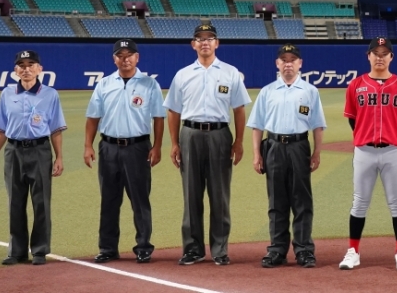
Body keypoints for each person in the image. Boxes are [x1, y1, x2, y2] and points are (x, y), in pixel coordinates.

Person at [164, 23, 251, 266]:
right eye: (200, 38)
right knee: (191, 194)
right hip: (190, 134)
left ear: (217, 43)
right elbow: (173, 111)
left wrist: (239, 141)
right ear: (193, 44)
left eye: (209, 38)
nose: (205, 42)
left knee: (219, 194)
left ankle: (220, 249)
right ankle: (193, 249)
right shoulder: (183, 75)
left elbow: (239, 109)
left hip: (220, 134)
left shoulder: (230, 73)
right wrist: (174, 143)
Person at [84, 40, 165, 264]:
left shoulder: (150, 84)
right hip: (108, 147)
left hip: (138, 147)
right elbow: (93, 117)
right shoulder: (104, 84)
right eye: (120, 55)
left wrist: (157, 146)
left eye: (129, 55)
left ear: (137, 58)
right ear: (114, 59)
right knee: (109, 200)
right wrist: (88, 145)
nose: (125, 59)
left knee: (140, 199)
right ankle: (108, 248)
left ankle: (143, 246)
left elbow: (159, 118)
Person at [339, 37, 397, 271]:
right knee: (359, 203)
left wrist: (394, 138)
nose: (380, 57)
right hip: (364, 151)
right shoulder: (356, 85)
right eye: (376, 53)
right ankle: (353, 251)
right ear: (368, 56)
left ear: (391, 57)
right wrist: (366, 136)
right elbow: (353, 119)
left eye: (384, 53)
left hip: (392, 151)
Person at [248, 44, 326, 269]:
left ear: (300, 63)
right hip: (273, 146)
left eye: (292, 60)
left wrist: (316, 152)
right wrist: (257, 155)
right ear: (277, 63)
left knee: (302, 200)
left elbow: (317, 125)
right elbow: (257, 126)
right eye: (284, 60)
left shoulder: (309, 91)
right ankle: (277, 250)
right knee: (276, 201)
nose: (288, 64)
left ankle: (304, 250)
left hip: (299, 146)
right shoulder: (267, 91)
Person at [0, 50, 66, 266]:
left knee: (41, 203)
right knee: (15, 202)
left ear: (40, 69)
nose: (26, 69)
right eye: (21, 65)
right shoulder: (7, 93)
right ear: (16, 70)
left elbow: (56, 130)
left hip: (40, 150)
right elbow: (2, 128)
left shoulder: (50, 94)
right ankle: (17, 251)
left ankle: (40, 250)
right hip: (13, 151)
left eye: (31, 64)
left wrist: (59, 157)